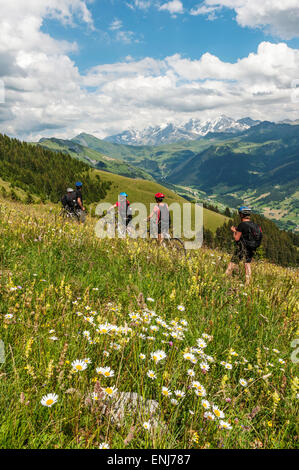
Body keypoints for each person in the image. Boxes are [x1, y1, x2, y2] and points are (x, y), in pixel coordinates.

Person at [225, 206, 262, 285]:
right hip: (252, 247)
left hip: (243, 247)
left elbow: (236, 238)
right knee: (247, 263)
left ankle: (226, 277)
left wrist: (234, 231)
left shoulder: (242, 225)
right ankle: (247, 283)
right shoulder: (254, 224)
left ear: (241, 215)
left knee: (233, 261)